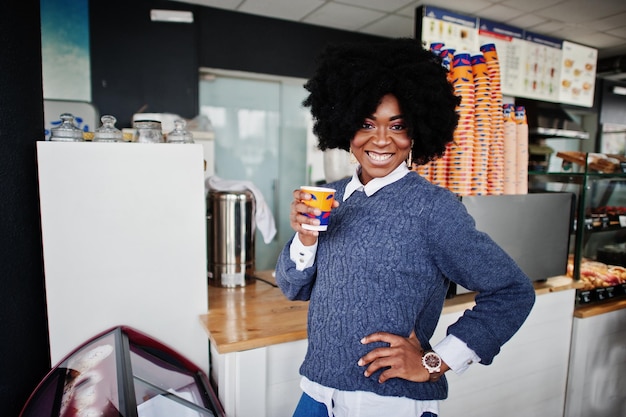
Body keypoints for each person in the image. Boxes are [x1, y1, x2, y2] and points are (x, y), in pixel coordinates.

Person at [275, 37, 536, 417]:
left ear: (415, 132)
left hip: (387, 403)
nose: (381, 139)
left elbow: (512, 291)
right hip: (316, 393)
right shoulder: (331, 196)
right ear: (345, 125)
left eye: (397, 126)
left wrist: (436, 361)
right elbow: (292, 287)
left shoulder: (433, 208)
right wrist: (306, 237)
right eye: (367, 123)